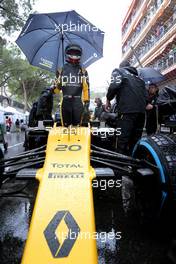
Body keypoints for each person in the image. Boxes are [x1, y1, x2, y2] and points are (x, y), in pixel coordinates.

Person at [105, 60, 146, 155]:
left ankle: (120, 165)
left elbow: (114, 86)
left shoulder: (119, 71)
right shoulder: (139, 78)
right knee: (135, 140)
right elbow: (145, 95)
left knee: (122, 140)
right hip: (141, 113)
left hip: (127, 112)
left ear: (121, 67)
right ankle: (133, 162)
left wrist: (108, 99)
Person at [55, 44, 90, 127]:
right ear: (67, 53)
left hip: (78, 102)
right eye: (72, 52)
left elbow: (86, 88)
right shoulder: (61, 69)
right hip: (65, 102)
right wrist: (54, 88)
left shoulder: (83, 70)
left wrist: (86, 102)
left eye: (76, 53)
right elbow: (57, 89)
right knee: (66, 127)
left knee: (77, 127)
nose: (74, 55)